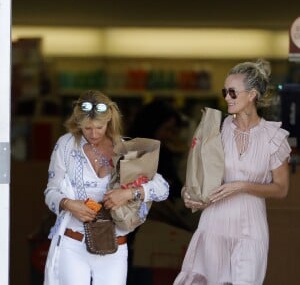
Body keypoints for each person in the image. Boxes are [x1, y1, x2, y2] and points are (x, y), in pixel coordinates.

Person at [174, 59, 291, 285]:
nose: (226, 97)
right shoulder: (215, 128)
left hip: (251, 229)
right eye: (224, 91)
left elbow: (281, 189)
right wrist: (188, 193)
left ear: (252, 95)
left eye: (232, 92)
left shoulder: (274, 137)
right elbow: (197, 177)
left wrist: (242, 186)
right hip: (214, 224)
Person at [43, 90, 169, 285]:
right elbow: (50, 192)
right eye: (87, 128)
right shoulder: (66, 145)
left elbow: (162, 188)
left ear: (109, 120)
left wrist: (128, 193)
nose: (93, 134)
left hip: (115, 248)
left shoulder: (125, 148)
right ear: (78, 124)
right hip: (73, 243)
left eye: (99, 127)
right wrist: (68, 204)